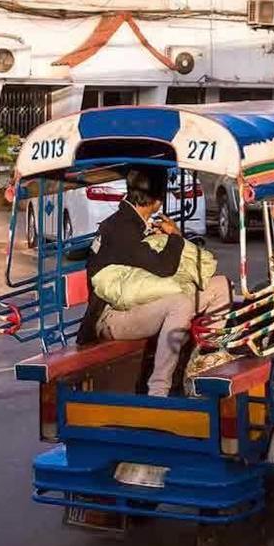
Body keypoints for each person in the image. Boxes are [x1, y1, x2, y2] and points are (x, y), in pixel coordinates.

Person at [82, 167, 231, 396]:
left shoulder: (134, 223)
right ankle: (159, 389)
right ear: (157, 201)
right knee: (179, 303)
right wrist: (173, 237)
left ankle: (205, 362)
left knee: (221, 286)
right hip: (111, 317)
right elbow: (164, 268)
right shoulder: (123, 227)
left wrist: (168, 237)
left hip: (140, 302)